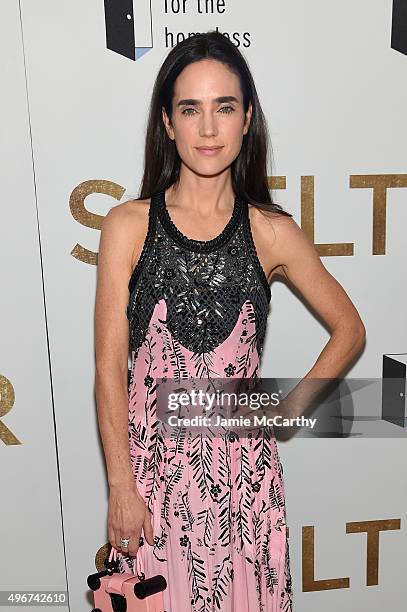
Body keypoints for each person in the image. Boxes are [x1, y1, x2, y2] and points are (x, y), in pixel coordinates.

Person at [94, 31, 365, 611]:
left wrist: (286, 413)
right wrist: (121, 484)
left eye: (225, 107)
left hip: (245, 490)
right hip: (153, 485)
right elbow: (109, 364)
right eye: (190, 109)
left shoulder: (272, 232)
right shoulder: (126, 226)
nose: (209, 128)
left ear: (247, 120)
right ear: (167, 123)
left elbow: (350, 329)